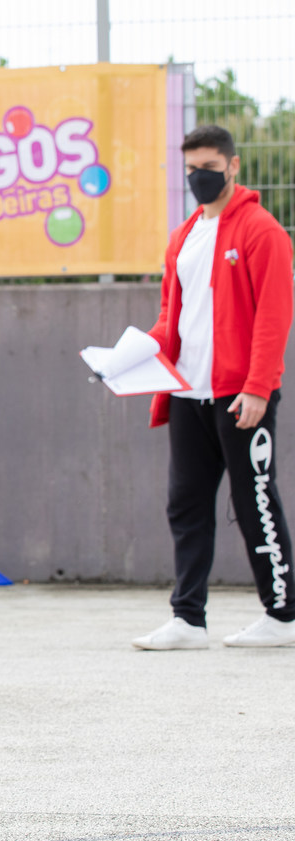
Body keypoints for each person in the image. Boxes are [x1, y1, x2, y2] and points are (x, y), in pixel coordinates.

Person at [132, 124, 295, 650]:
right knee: (186, 504)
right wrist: (130, 356)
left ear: (233, 166)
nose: (199, 178)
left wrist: (258, 387)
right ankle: (188, 620)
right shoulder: (183, 236)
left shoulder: (261, 230)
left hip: (240, 395)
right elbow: (170, 318)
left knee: (254, 502)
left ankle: (283, 615)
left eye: (208, 168)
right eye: (190, 170)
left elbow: (274, 318)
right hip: (187, 395)